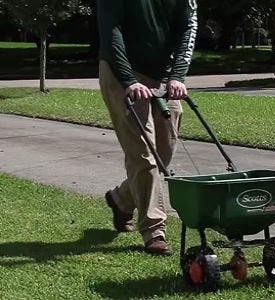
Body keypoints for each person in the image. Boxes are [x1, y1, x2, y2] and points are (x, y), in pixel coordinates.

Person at [97, 0, 198, 255]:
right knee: (144, 154)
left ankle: (121, 198)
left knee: (163, 153)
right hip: (123, 73)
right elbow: (111, 32)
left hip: (163, 73)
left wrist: (177, 75)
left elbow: (188, 28)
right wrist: (128, 79)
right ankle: (154, 231)